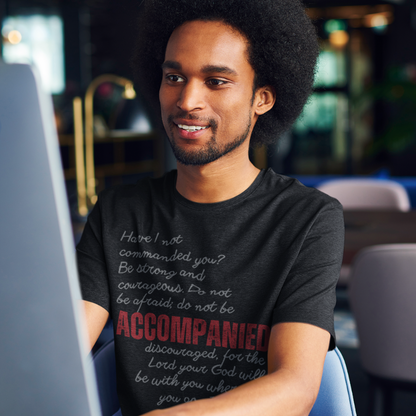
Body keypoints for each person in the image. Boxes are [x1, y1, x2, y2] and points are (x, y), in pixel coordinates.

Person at [76, 1, 345, 415]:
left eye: (216, 81)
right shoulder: (118, 213)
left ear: (263, 98)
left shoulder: (308, 220)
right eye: (174, 77)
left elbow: (295, 386)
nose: (187, 100)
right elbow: (64, 347)